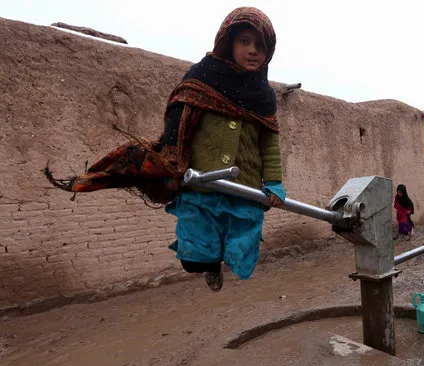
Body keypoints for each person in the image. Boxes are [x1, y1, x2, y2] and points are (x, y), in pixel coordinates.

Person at [45, 7, 285, 292]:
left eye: (260, 45)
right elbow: (178, 121)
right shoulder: (203, 77)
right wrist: (171, 162)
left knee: (241, 252)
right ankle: (209, 266)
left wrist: (274, 182)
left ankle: (221, 260)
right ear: (228, 41)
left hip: (244, 190)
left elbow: (269, 145)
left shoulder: (264, 97)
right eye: (245, 41)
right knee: (196, 255)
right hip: (201, 187)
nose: (253, 50)